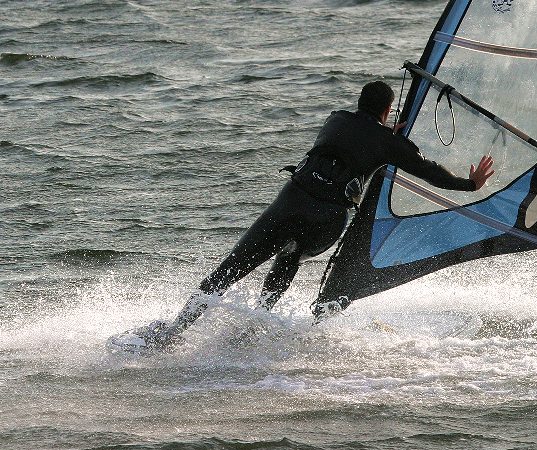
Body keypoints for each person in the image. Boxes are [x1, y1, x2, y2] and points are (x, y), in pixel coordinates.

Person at [117, 81, 494, 350]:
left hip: (290, 203)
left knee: (229, 269)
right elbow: (427, 169)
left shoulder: (335, 119)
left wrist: (383, 135)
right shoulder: (388, 143)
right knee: (293, 255)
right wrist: (470, 184)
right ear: (387, 112)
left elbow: (357, 136)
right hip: (327, 221)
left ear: (359, 104)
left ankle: (174, 331)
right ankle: (257, 324)